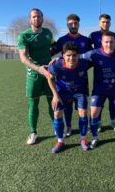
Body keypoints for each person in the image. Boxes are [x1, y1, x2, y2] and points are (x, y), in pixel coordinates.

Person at [81, 31, 115, 148]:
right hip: (99, 89)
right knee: (93, 113)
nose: (109, 44)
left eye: (111, 42)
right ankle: (95, 137)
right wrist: (59, 59)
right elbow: (75, 56)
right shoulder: (94, 53)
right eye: (106, 42)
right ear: (101, 43)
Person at [51, 14, 92, 137]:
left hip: (81, 78)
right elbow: (52, 52)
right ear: (67, 25)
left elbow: (92, 55)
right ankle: (68, 126)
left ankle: (84, 128)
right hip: (65, 78)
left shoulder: (85, 40)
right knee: (66, 104)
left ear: (79, 24)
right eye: (70, 24)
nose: (73, 25)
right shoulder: (62, 40)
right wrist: (57, 58)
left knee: (82, 107)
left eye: (75, 23)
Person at [18, 8, 54, 145]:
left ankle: (57, 127)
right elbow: (23, 58)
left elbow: (54, 47)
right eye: (33, 17)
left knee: (53, 102)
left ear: (42, 18)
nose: (36, 19)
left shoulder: (48, 33)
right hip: (34, 74)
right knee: (34, 104)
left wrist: (55, 59)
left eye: (38, 17)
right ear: (30, 19)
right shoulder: (24, 36)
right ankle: (33, 132)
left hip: (49, 72)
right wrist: (39, 68)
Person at [47, 42, 91, 154]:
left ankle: (83, 139)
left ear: (78, 55)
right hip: (62, 92)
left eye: (74, 55)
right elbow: (50, 78)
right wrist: (55, 96)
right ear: (63, 56)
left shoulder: (84, 63)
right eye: (68, 55)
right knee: (57, 113)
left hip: (79, 92)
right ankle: (60, 141)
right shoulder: (57, 65)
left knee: (83, 112)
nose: (71, 58)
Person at [89, 14, 115, 132]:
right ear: (99, 23)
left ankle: (112, 121)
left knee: (113, 99)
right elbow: (87, 50)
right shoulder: (93, 35)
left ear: (110, 23)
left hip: (114, 68)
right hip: (99, 69)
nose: (105, 24)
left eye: (107, 22)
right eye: (103, 22)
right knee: (99, 99)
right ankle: (98, 122)